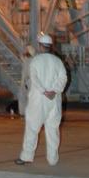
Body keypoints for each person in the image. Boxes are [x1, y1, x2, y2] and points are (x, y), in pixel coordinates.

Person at [15, 32, 68, 167]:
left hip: (38, 100)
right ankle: (52, 159)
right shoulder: (58, 61)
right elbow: (63, 78)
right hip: (54, 101)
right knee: (53, 130)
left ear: (40, 46)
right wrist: (54, 91)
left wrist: (44, 91)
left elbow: (34, 79)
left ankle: (27, 156)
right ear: (50, 46)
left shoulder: (35, 61)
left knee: (32, 129)